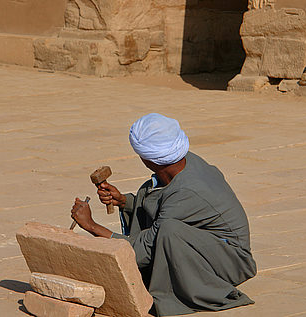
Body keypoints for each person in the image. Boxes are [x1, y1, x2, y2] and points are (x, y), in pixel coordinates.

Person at [71, 113, 257, 316]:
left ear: (149, 159)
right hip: (213, 246)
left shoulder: (186, 191)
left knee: (169, 231)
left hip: (232, 262)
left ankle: (194, 289)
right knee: (157, 208)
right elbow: (163, 203)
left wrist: (91, 226)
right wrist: (125, 202)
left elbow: (144, 249)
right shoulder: (185, 162)